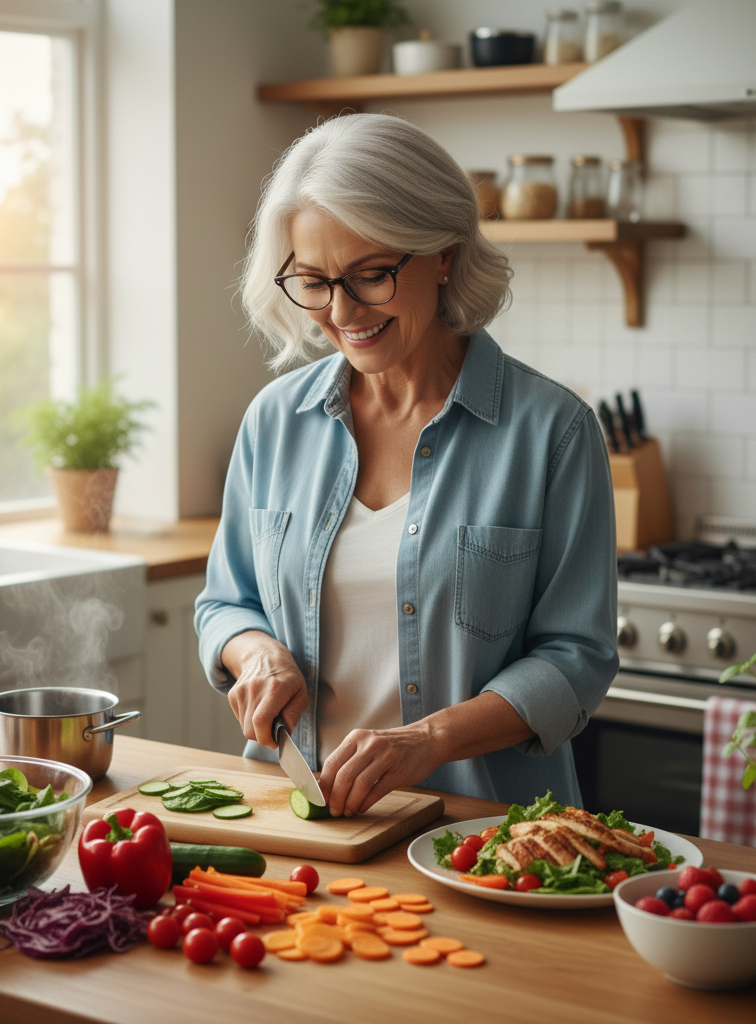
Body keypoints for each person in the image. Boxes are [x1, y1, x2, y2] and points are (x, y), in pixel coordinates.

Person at [194, 113, 618, 818]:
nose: (341, 311)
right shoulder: (274, 421)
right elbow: (224, 602)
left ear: (443, 253)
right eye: (313, 281)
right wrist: (257, 654)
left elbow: (577, 660)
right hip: (299, 821)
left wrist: (429, 740)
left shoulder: (554, 433)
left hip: (482, 841)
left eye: (370, 275)